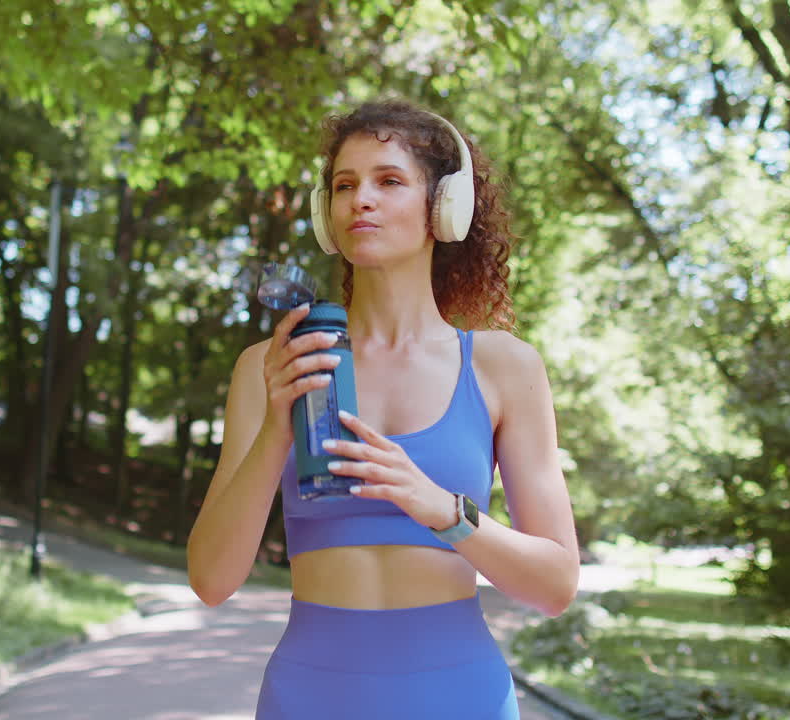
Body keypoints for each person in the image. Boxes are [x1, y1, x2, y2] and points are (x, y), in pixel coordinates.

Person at [187, 98, 580, 720]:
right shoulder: (271, 365)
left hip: (461, 696)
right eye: (344, 185)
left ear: (442, 209)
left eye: (389, 181)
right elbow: (212, 580)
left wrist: (441, 508)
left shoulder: (504, 367)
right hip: (310, 697)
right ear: (326, 214)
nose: (360, 199)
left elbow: (556, 585)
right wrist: (275, 431)